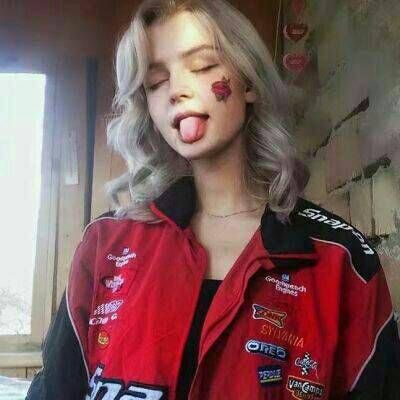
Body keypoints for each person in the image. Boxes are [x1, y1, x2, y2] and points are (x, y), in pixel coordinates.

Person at [26, 0, 400, 399]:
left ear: (248, 82)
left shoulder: (342, 259)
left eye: (202, 66)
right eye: (156, 82)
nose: (176, 91)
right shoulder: (105, 244)